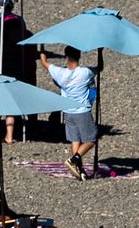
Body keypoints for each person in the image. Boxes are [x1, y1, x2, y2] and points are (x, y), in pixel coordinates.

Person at [41, 47, 98, 178]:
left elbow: (44, 63)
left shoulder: (59, 72)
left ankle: (79, 169)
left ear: (66, 56)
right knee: (91, 139)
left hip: (68, 111)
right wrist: (100, 54)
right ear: (79, 56)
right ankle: (74, 160)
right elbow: (99, 67)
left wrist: (42, 48)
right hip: (82, 110)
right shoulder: (85, 72)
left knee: (75, 140)